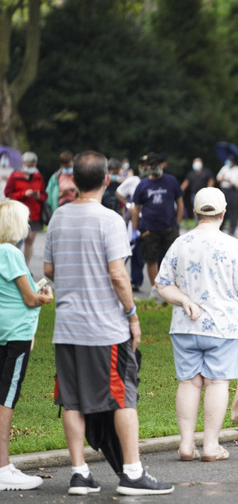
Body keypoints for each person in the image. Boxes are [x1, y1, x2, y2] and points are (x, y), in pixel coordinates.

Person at [44, 151, 173, 495]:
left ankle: (79, 473)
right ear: (106, 181)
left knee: (71, 401)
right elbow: (118, 274)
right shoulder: (110, 220)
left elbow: (49, 270)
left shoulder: (57, 218)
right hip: (104, 329)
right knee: (122, 398)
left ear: (73, 179)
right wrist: (132, 315)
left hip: (67, 328)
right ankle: (132, 473)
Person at [156, 187, 238, 462]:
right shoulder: (232, 245)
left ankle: (187, 445)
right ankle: (211, 446)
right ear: (223, 213)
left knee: (189, 384)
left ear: (194, 212)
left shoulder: (180, 243)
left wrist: (183, 300)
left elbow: (162, 284)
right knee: (216, 383)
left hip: (185, 327)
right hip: (225, 328)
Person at [0, 200, 53, 491]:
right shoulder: (11, 252)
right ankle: (3, 466)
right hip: (16, 334)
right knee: (7, 399)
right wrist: (45, 297)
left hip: (3, 331)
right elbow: (30, 298)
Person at [131, 153, 183, 300]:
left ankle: (172, 288)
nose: (155, 167)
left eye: (158, 164)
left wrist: (177, 222)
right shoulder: (143, 185)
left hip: (169, 227)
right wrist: (135, 229)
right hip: (149, 228)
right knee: (151, 259)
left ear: (163, 165)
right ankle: (155, 289)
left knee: (172, 259)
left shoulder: (171, 181)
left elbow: (180, 202)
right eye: (152, 165)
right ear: (148, 167)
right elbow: (136, 208)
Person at [3, 152, 47, 264]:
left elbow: (44, 195)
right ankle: (15, 265)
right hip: (19, 214)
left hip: (35, 214)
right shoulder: (15, 176)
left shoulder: (38, 177)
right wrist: (24, 193)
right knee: (18, 241)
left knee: (30, 240)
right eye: (29, 165)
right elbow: (8, 193)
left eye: (33, 165)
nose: (31, 167)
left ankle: (26, 267)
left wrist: (38, 196)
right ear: (23, 163)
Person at [117, 156, 148, 292]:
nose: (144, 168)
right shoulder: (134, 181)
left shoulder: (153, 182)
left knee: (140, 253)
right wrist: (128, 204)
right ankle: (117, 276)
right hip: (135, 219)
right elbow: (119, 192)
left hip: (147, 220)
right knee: (128, 250)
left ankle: (136, 280)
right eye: (142, 165)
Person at [180, 157, 215, 223]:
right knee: (196, 210)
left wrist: (209, 190)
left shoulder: (206, 172)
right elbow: (186, 182)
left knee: (205, 209)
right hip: (194, 195)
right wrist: (179, 191)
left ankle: (206, 222)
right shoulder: (191, 174)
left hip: (204, 194)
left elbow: (211, 181)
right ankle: (198, 223)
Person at [216, 156, 238, 235]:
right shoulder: (225, 168)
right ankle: (221, 227)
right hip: (224, 190)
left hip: (233, 191)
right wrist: (224, 179)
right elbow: (218, 178)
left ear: (234, 162)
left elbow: (236, 183)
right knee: (222, 209)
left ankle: (232, 229)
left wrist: (227, 180)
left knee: (232, 210)